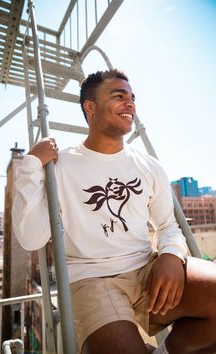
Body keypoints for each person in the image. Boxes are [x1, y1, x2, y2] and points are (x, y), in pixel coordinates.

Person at [12, 69, 216, 354]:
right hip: (90, 280)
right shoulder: (59, 166)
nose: (130, 103)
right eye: (119, 96)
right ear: (90, 107)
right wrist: (31, 165)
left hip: (146, 271)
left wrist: (170, 254)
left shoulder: (149, 166)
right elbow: (31, 239)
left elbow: (168, 225)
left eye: (132, 98)